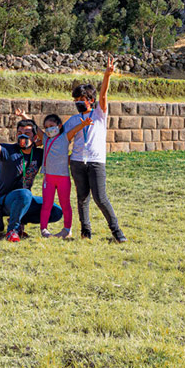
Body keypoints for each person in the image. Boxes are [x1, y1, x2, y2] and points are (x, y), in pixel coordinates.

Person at [64, 56, 127, 242]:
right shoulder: (73, 120)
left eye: (81, 99)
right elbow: (65, 138)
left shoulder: (99, 114)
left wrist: (107, 76)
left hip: (96, 161)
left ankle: (117, 232)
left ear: (90, 100)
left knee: (100, 197)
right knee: (82, 198)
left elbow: (104, 96)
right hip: (77, 162)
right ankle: (86, 232)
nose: (78, 102)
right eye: (75, 100)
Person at [21, 111, 92, 239]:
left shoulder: (64, 137)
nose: (49, 129)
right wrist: (24, 116)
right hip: (48, 178)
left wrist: (84, 125)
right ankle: (44, 229)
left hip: (63, 178)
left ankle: (67, 229)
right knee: (46, 204)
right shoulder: (45, 139)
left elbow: (74, 130)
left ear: (59, 126)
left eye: (51, 125)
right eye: (46, 127)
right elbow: (35, 127)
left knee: (65, 204)